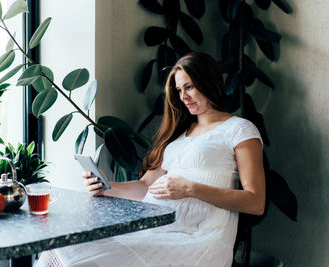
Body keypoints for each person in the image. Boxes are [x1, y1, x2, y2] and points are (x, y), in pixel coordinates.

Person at [38, 52, 265, 267]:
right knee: (63, 243)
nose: (183, 96)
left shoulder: (239, 129)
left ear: (209, 83)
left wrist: (190, 188)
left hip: (197, 240)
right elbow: (146, 186)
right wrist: (106, 187)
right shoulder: (179, 135)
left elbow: (255, 202)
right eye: (178, 89)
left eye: (189, 87)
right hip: (155, 230)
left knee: (79, 251)